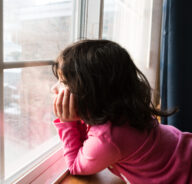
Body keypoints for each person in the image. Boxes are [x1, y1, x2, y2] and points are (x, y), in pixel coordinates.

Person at [51, 39, 192, 184]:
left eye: (64, 82)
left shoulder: (106, 140)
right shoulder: (125, 109)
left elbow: (75, 166)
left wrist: (67, 122)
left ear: (91, 92)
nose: (54, 89)